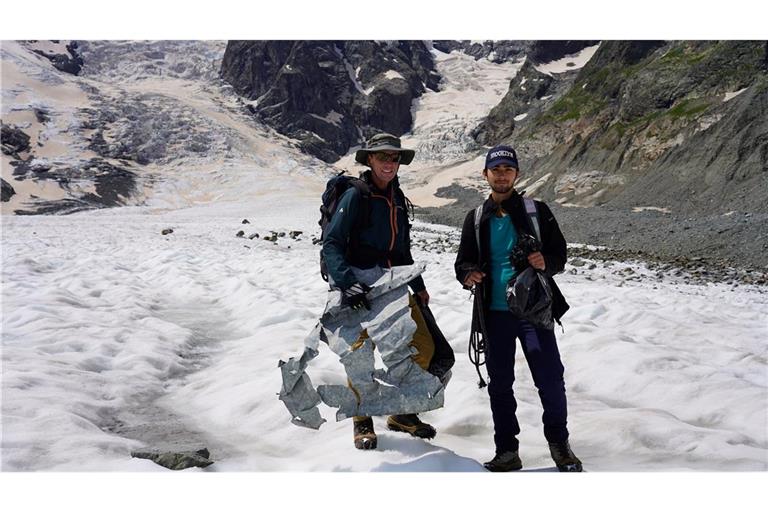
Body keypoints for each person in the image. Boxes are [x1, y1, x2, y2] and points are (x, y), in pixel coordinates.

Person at [454, 145, 583, 472]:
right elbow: (462, 262)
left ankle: (559, 445)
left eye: (507, 169)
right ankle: (507, 451)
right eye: (495, 169)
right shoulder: (477, 217)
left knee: (550, 378)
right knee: (500, 385)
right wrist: (468, 275)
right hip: (494, 314)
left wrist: (546, 262)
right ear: (486, 174)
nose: (501, 175)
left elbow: (559, 255)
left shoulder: (536, 210)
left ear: (516, 174)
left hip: (533, 313)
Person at [323, 132, 438, 450]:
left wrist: (418, 285)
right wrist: (347, 284)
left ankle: (403, 414)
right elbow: (332, 243)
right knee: (360, 354)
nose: (390, 162)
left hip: (392, 283)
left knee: (422, 346)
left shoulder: (397, 198)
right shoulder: (356, 195)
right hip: (356, 285)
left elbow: (401, 248)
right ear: (369, 160)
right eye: (383, 157)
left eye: (395, 157)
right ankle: (362, 420)